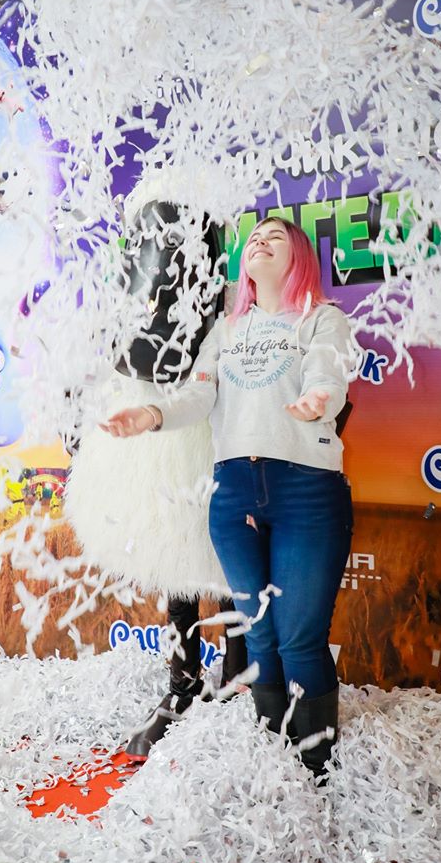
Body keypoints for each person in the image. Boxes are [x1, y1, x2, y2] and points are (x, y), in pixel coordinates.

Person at [102, 216, 354, 780]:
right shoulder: (227, 329)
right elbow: (200, 394)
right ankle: (273, 756)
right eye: (255, 237)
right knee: (259, 631)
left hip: (306, 490)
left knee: (299, 638)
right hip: (234, 494)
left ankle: (314, 767)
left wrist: (319, 398)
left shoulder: (322, 318)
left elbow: (328, 375)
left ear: (299, 257)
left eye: (275, 237)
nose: (260, 242)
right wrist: (152, 414)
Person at [65, 184, 248, 760]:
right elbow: (121, 350)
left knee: (227, 555)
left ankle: (238, 677)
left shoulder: (232, 305)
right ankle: (183, 680)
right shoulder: (131, 289)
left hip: (210, 431)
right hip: (152, 433)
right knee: (173, 549)